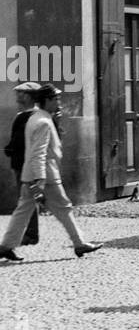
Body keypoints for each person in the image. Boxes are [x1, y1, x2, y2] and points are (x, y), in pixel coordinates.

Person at [0, 84, 102, 263]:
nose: (59, 102)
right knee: (63, 208)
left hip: (30, 174)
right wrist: (40, 180)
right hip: (45, 176)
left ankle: (6, 246)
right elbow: (39, 153)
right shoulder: (43, 122)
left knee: (23, 210)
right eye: (55, 99)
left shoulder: (37, 118)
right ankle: (79, 243)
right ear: (46, 101)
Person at [3, 82, 42, 246]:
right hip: (25, 164)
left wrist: (9, 149)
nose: (17, 97)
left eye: (21, 93)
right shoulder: (34, 115)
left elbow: (19, 141)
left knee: (27, 200)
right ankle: (29, 234)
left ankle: (30, 235)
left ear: (28, 97)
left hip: (25, 164)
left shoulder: (27, 117)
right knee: (28, 199)